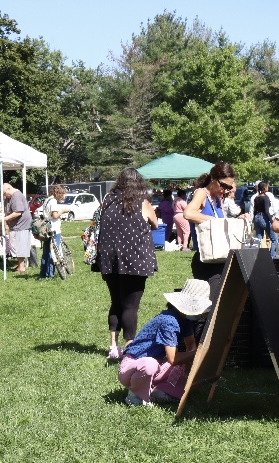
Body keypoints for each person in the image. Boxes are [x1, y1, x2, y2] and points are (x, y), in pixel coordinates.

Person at [118, 279, 212, 407]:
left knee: (180, 369)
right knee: (149, 364)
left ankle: (158, 391)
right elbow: (173, 359)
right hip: (133, 365)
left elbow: (190, 345)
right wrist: (199, 353)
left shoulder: (185, 321)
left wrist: (189, 367)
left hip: (158, 364)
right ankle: (135, 396)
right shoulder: (169, 321)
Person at [97, 167, 158, 360]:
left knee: (116, 301)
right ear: (138, 183)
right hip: (135, 262)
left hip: (109, 260)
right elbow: (155, 224)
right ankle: (130, 348)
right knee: (130, 307)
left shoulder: (107, 201)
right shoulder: (143, 203)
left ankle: (113, 347)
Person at [184, 161, 236, 304]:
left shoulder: (218, 201)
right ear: (213, 179)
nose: (225, 190)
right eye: (223, 185)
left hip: (220, 258)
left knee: (220, 303)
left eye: (229, 187)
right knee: (210, 306)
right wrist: (212, 219)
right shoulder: (201, 193)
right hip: (205, 260)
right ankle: (203, 326)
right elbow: (188, 213)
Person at [40, 184, 72, 278]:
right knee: (53, 252)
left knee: (46, 252)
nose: (64, 196)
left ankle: (43, 273)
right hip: (53, 229)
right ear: (59, 193)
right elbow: (55, 215)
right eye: (63, 194)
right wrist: (63, 210)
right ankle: (50, 274)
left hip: (46, 229)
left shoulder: (47, 199)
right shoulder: (53, 201)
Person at [2, 182, 32, 273]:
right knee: (16, 246)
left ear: (8, 189)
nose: (4, 195)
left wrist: (5, 218)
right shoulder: (10, 196)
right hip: (16, 226)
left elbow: (18, 212)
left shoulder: (16, 196)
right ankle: (20, 265)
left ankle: (21, 267)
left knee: (20, 246)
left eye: (4, 193)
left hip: (21, 225)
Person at [252, 182, 278, 258]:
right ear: (264, 188)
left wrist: (254, 221)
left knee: (259, 239)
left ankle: (257, 257)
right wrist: (272, 221)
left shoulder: (256, 198)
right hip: (264, 217)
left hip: (257, 217)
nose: (268, 188)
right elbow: (267, 211)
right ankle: (271, 257)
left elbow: (254, 210)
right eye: (267, 187)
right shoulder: (265, 198)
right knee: (274, 240)